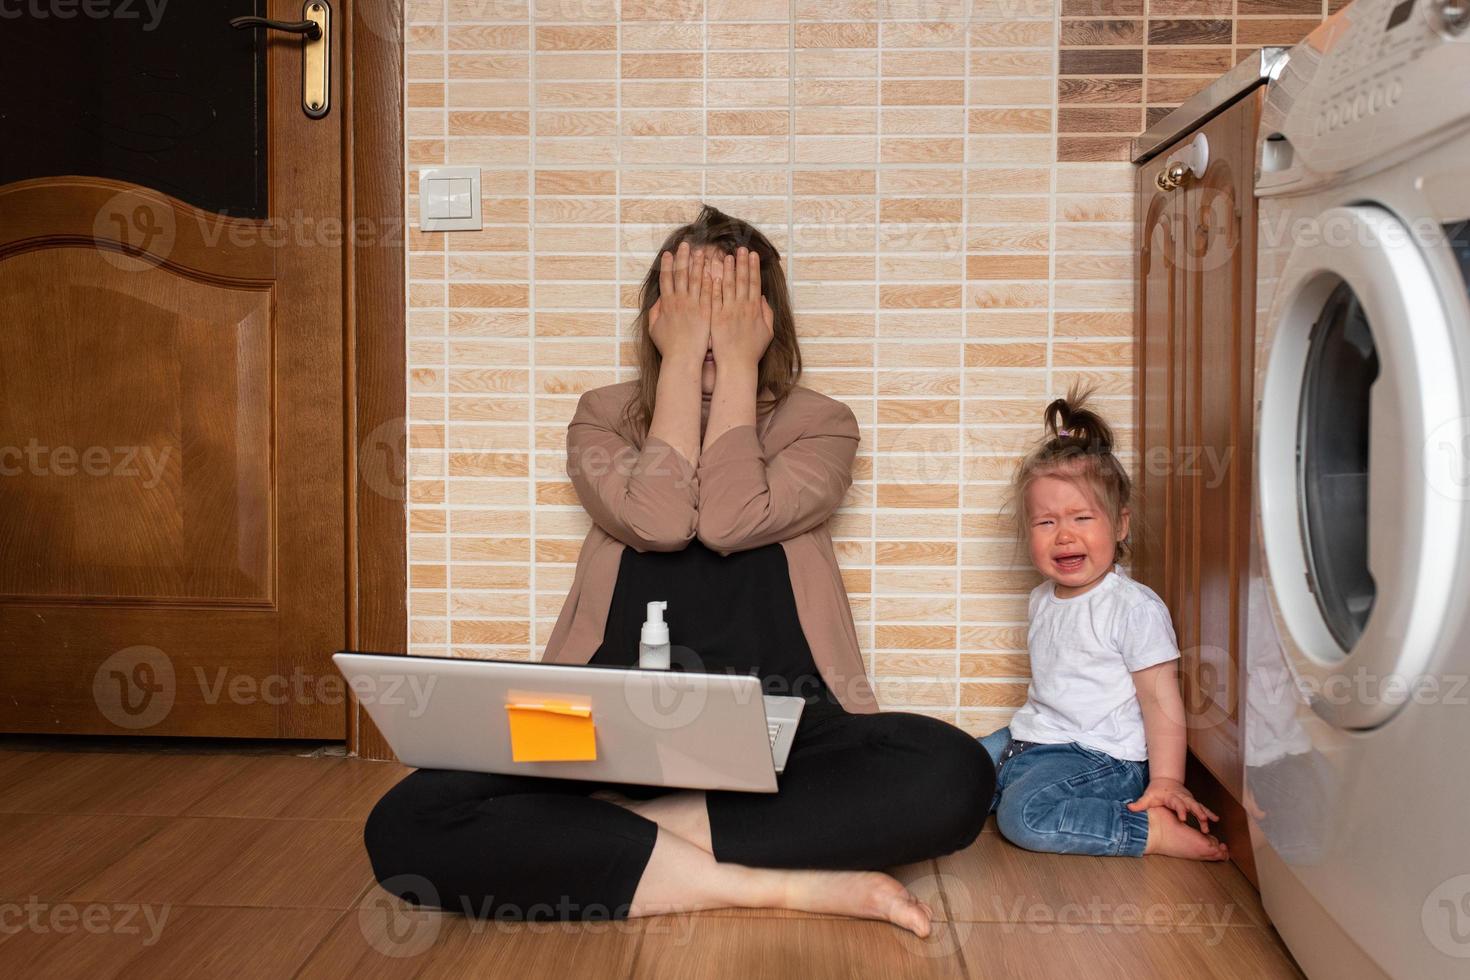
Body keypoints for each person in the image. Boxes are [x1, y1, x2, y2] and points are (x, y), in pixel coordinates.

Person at [363, 205, 995, 936]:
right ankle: (776, 885)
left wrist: (734, 369)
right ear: (658, 321)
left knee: (955, 774)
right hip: (589, 726)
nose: (706, 328)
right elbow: (658, 520)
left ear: (765, 325)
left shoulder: (820, 424)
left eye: (726, 310)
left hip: (786, 727)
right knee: (408, 820)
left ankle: (623, 833)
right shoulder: (600, 419)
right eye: (689, 309)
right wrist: (681, 362)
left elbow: (730, 517)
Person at [978, 386, 1229, 861]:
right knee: (953, 768)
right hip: (1030, 739)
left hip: (1101, 757)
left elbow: (1159, 698)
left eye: (1082, 517)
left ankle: (1146, 831)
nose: (1064, 534)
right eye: (1046, 523)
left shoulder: (1132, 607)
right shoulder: (1042, 599)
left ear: (1119, 526)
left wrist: (1167, 781)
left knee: (1024, 817)